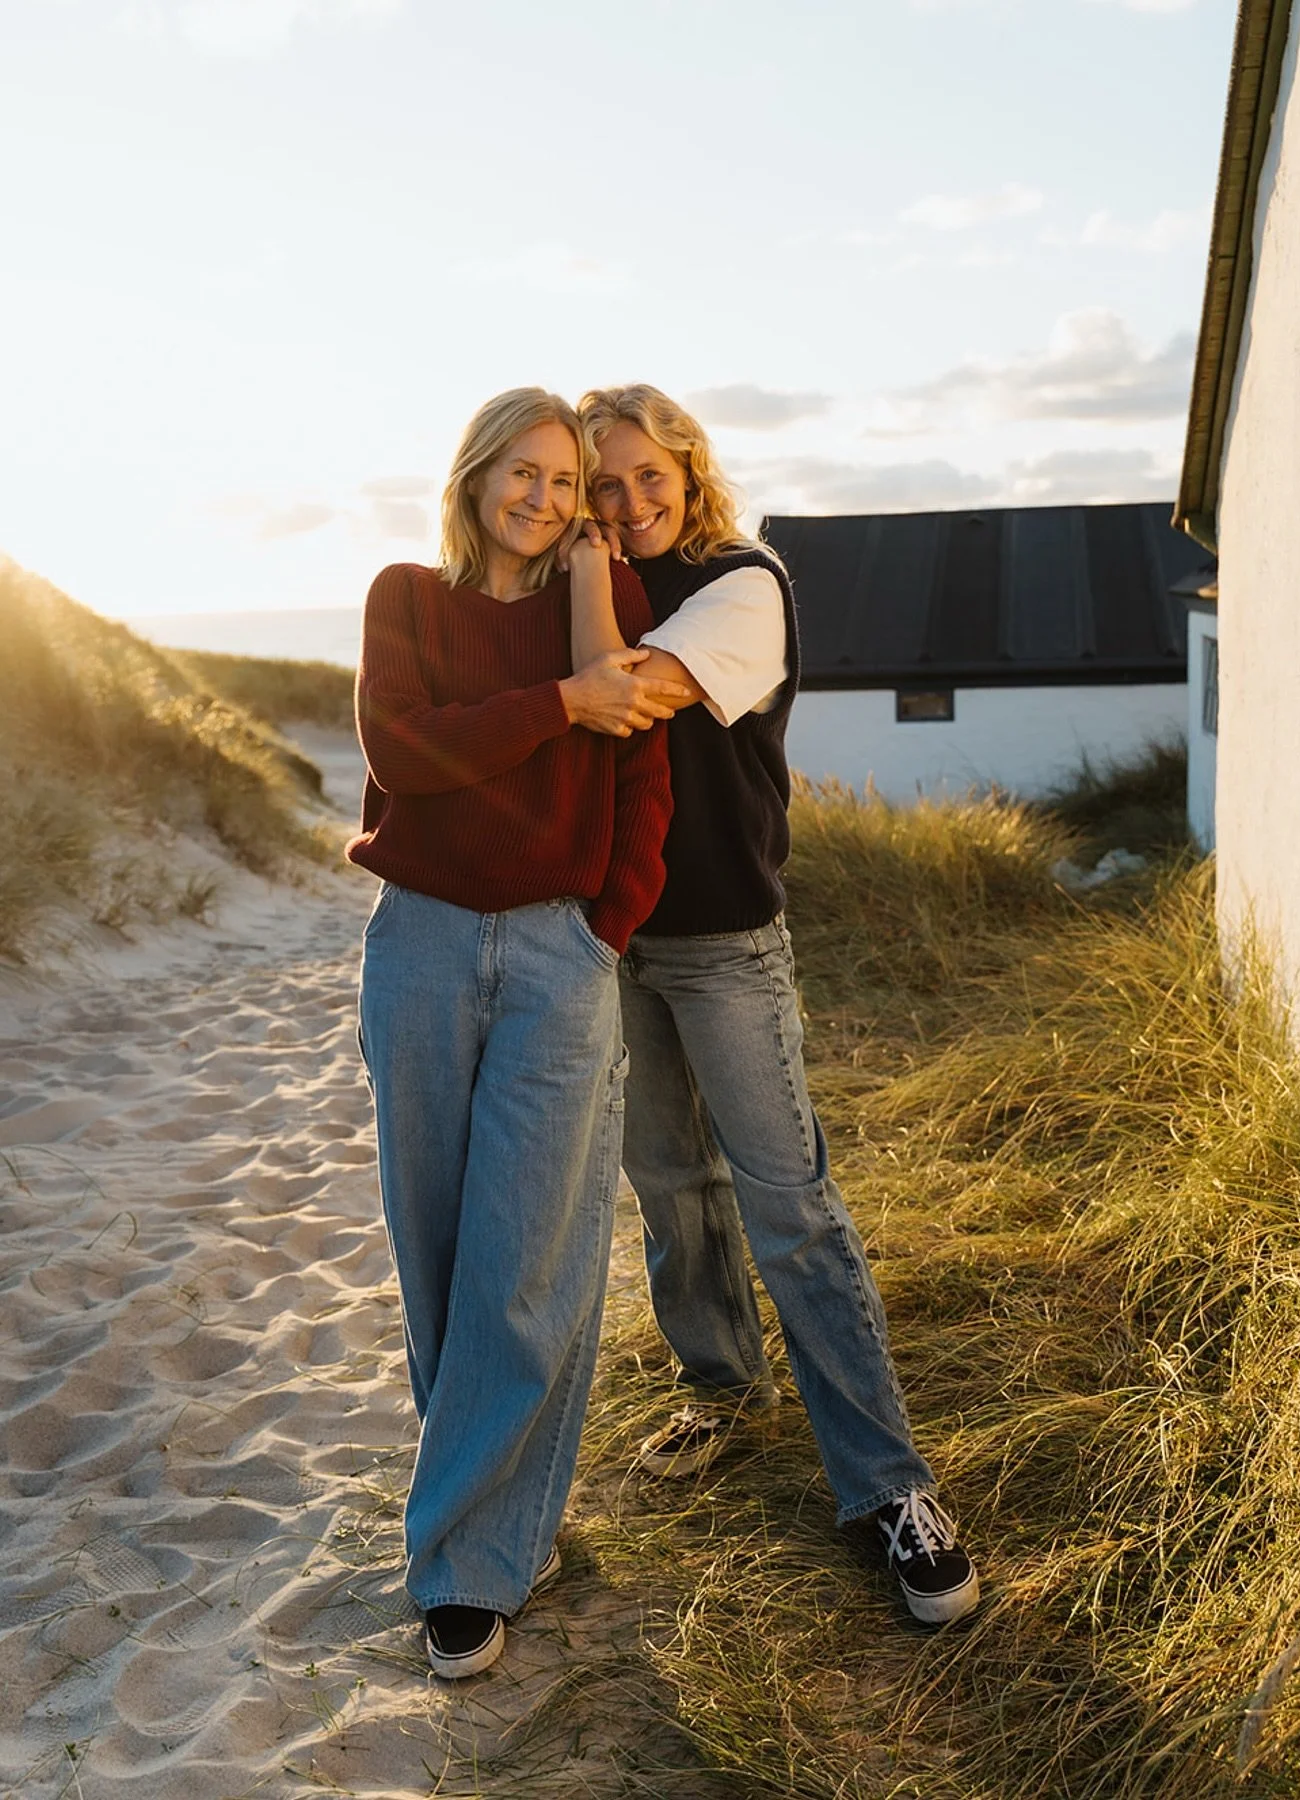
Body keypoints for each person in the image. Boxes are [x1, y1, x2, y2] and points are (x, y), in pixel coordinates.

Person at [567, 383, 980, 1626]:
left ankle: (890, 1488)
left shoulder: (745, 585)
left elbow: (622, 692)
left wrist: (583, 577)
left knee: (789, 1205)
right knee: (668, 1187)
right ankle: (721, 1390)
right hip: (610, 936)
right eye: (602, 486)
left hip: (724, 943)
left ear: (691, 472)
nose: (629, 503)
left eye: (650, 477)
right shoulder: (600, 585)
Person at [349, 388, 679, 1678]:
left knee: (529, 1257)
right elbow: (404, 749)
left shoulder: (604, 615)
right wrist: (559, 702)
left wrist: (610, 924)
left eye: (566, 481)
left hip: (557, 950)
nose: (547, 499)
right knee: (435, 1248)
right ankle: (495, 1522)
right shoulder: (404, 601)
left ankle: (469, 1565)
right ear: (478, 475)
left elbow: (642, 769)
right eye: (525, 474)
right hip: (422, 942)